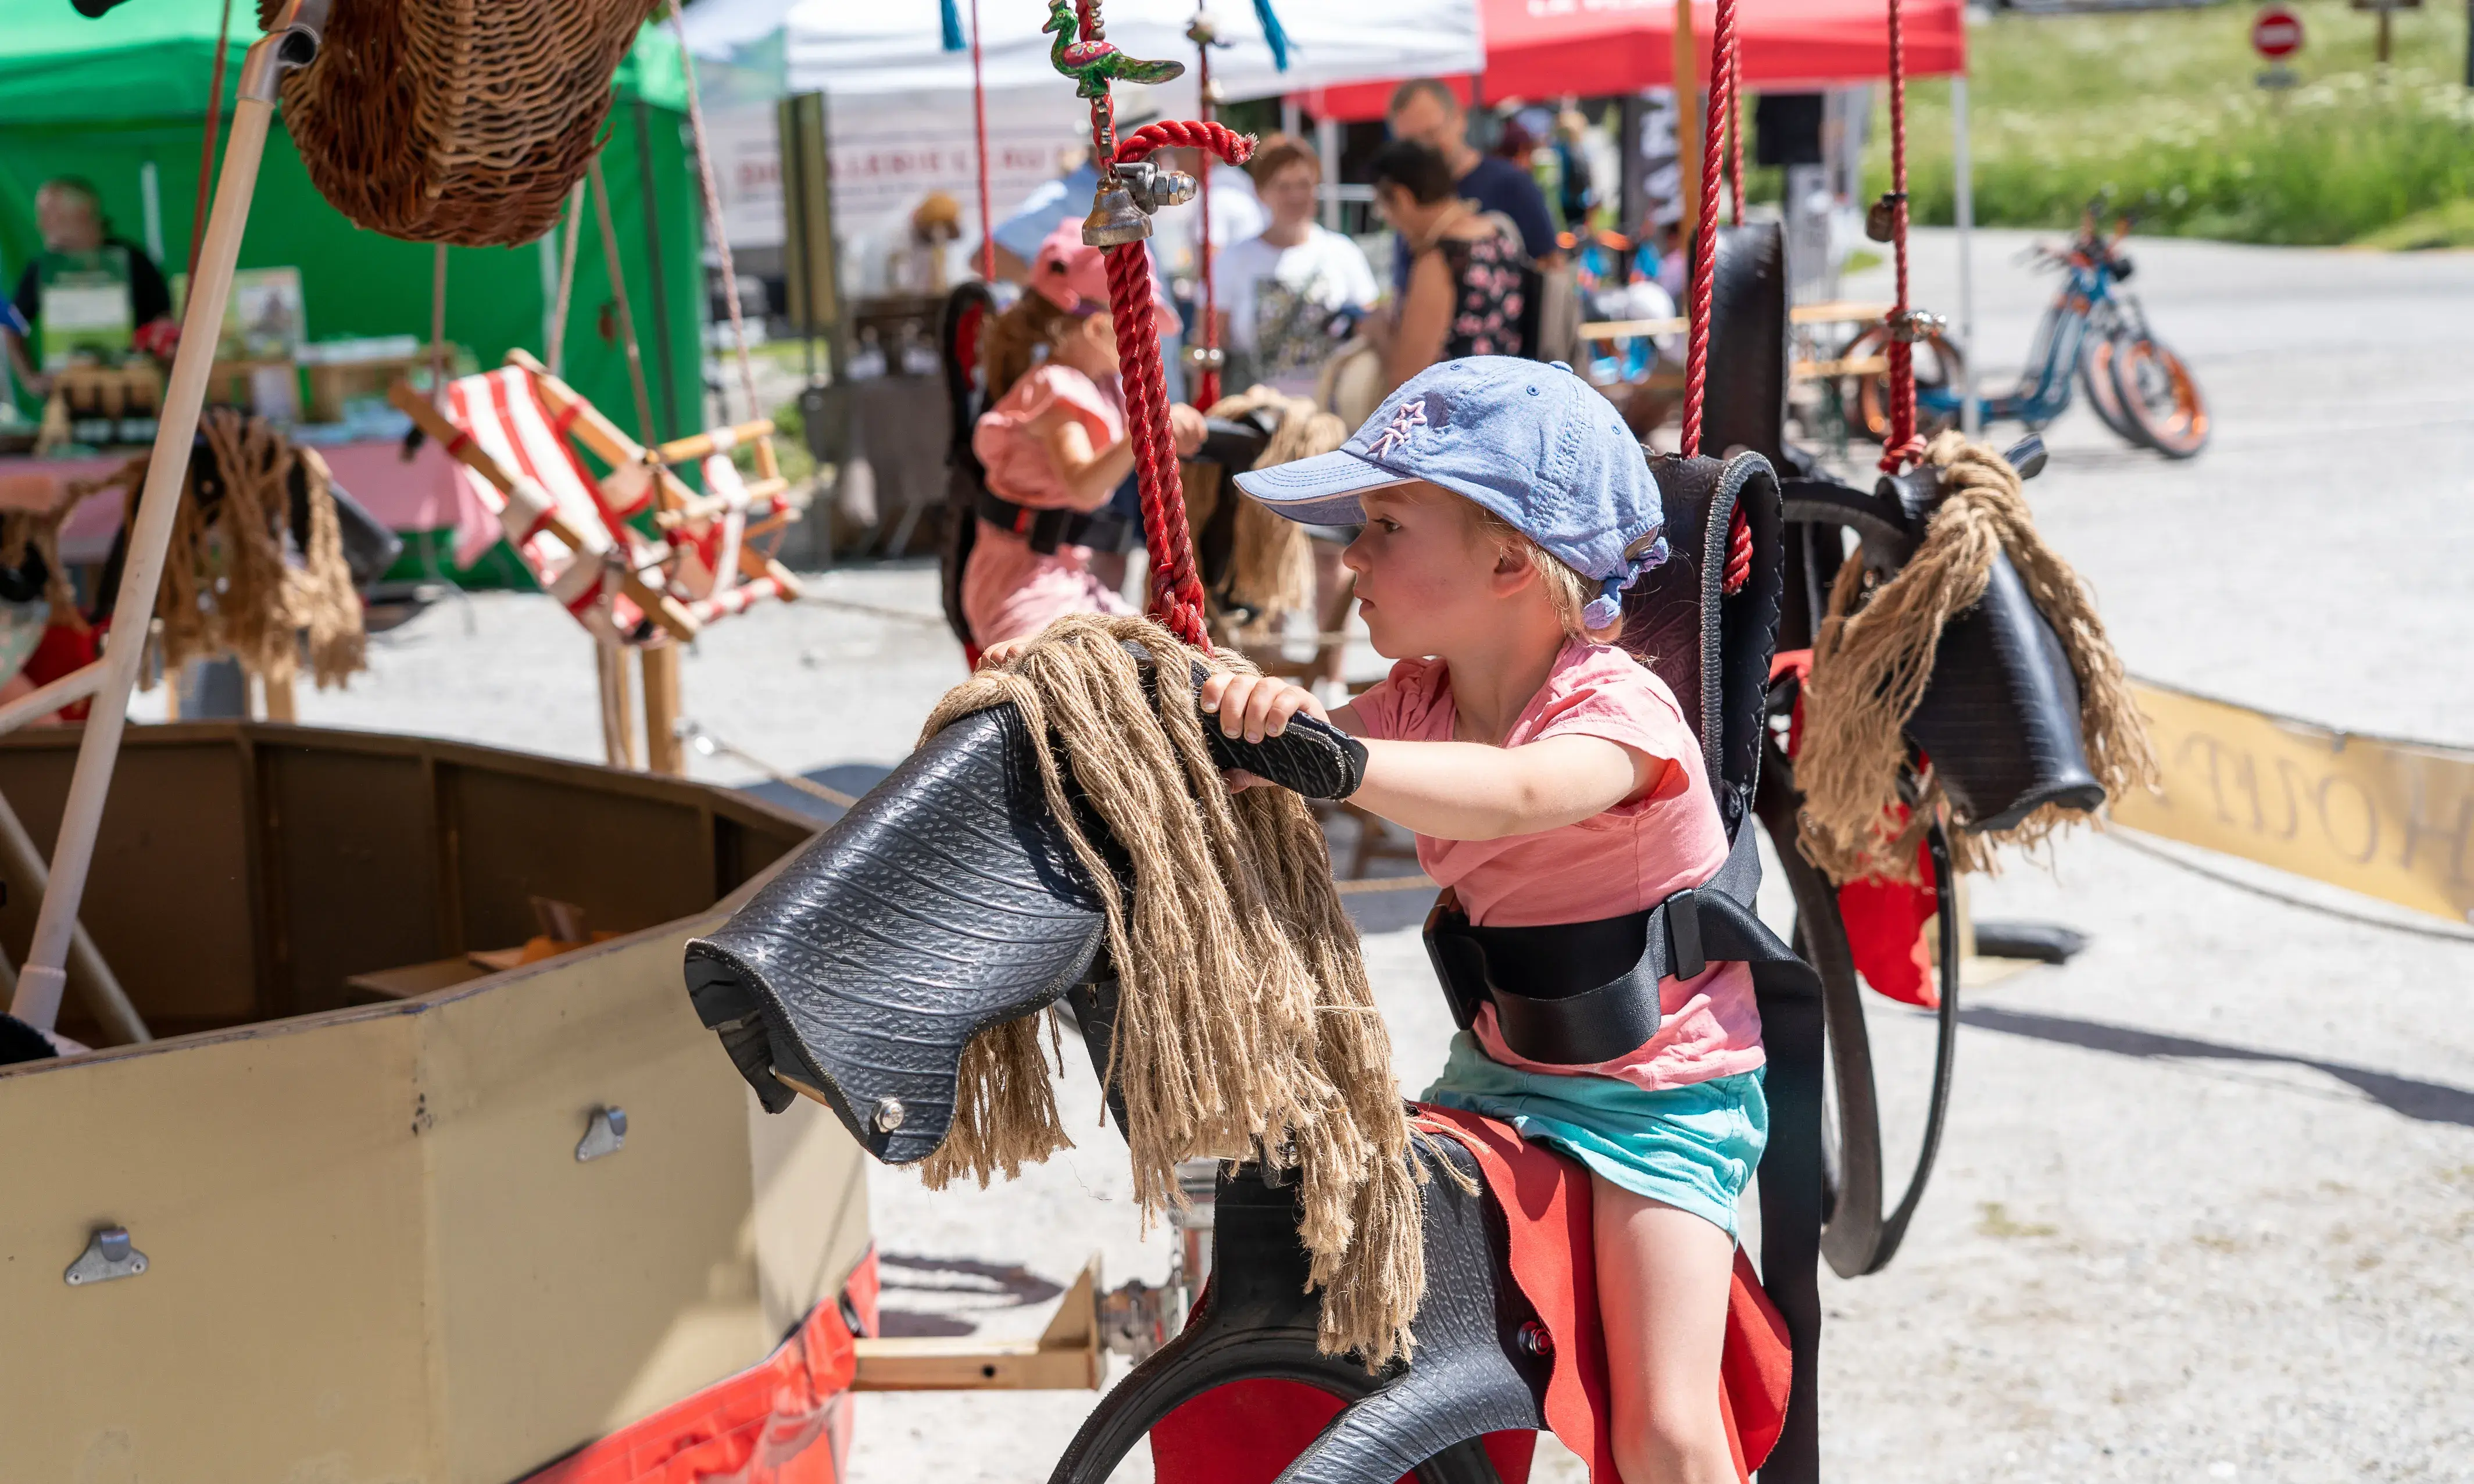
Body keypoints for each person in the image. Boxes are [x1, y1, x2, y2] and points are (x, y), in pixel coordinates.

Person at [1217, 357, 1763, 1484]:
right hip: (1503, 1073)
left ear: (1512, 557)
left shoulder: (1618, 710)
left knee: (1660, 1418)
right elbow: (1295, 744)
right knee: (1377, 1320)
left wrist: (1336, 757)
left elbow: (1514, 793)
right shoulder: (1420, 695)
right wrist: (1246, 715)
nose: (1350, 556)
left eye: (1385, 524)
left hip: (1664, 1096)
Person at [963, 221, 1206, 650]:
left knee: (1163, 653)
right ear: (1097, 330)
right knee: (1105, 669)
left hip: (1068, 575)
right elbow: (1081, 485)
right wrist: (1144, 428)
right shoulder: (1057, 390)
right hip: (1023, 583)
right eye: (1140, 326)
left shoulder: (1104, 383)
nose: (1149, 342)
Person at [1213, 134, 1380, 398]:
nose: (1295, 196)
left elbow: (1371, 331)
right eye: (1283, 186)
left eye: (1304, 184)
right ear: (1261, 192)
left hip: (1329, 415)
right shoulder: (1234, 260)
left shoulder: (1342, 252)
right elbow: (1212, 342)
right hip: (1258, 415)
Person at [1365, 141, 1525, 394]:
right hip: (1504, 404)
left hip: (1457, 420)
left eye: (1382, 207)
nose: (1388, 219)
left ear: (1402, 198)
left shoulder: (1440, 260)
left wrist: (1378, 333)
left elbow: (1405, 376)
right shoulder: (1497, 234)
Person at [5, 177, 175, 400]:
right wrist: (31, 379)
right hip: (67, 394)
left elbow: (165, 323)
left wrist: (156, 370)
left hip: (130, 394)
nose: (41, 225)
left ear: (82, 213)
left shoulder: (133, 260)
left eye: (50, 215)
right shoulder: (41, 269)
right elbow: (12, 325)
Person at [1383, 78, 1560, 289]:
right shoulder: (1409, 198)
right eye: (1409, 144)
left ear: (1459, 119)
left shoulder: (1510, 183)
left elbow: (1551, 267)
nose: (1423, 151)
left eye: (1431, 134)